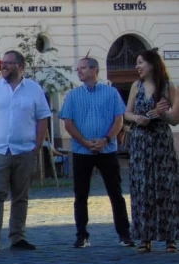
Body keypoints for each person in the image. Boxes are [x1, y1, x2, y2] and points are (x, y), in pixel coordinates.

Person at [0, 49, 51, 253]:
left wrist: (36, 147)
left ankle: (18, 237)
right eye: (2, 62)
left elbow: (43, 119)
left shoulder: (34, 89)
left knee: (20, 196)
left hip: (25, 150)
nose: (3, 66)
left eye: (8, 63)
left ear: (20, 66)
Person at [59, 57, 134, 248]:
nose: (79, 71)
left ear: (95, 70)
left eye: (83, 68)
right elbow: (68, 123)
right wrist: (85, 142)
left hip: (107, 150)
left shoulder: (111, 93)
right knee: (81, 195)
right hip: (81, 151)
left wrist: (106, 140)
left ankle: (124, 234)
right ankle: (82, 235)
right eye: (78, 69)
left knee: (115, 193)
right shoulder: (73, 96)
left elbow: (119, 120)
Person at [124, 50, 179, 253]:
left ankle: (170, 237)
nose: (137, 67)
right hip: (140, 144)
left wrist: (163, 114)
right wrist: (136, 118)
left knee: (166, 188)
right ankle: (144, 237)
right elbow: (127, 113)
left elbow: (175, 119)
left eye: (140, 63)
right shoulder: (135, 86)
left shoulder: (169, 87)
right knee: (142, 188)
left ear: (152, 64)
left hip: (161, 144)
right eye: (136, 63)